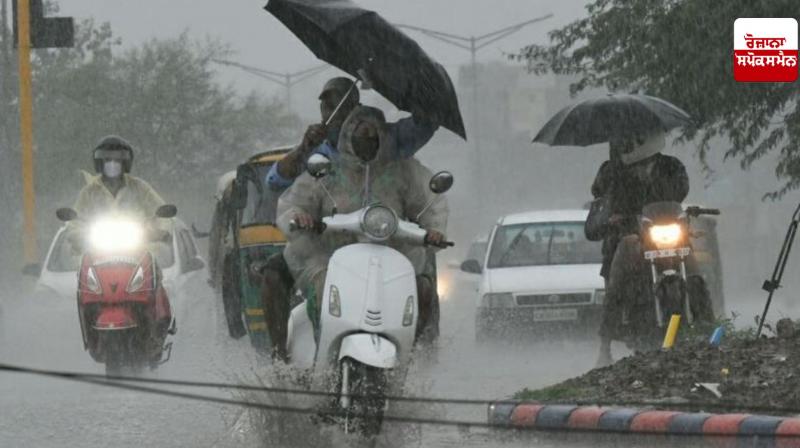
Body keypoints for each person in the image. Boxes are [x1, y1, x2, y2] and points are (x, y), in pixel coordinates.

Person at [261, 77, 439, 360]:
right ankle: (282, 355)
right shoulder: (321, 160)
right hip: (326, 247)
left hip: (388, 247)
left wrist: (431, 229)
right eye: (326, 105)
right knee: (274, 273)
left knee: (425, 283)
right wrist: (305, 150)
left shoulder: (395, 156)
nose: (366, 142)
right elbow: (280, 185)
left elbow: (425, 192)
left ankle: (413, 353)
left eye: (340, 105)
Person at [592, 129, 692, 367]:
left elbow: (680, 193)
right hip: (628, 234)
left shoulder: (671, 166)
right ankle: (605, 346)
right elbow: (600, 195)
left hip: (664, 233)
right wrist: (615, 213)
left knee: (694, 266)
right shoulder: (612, 170)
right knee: (617, 280)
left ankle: (704, 324)